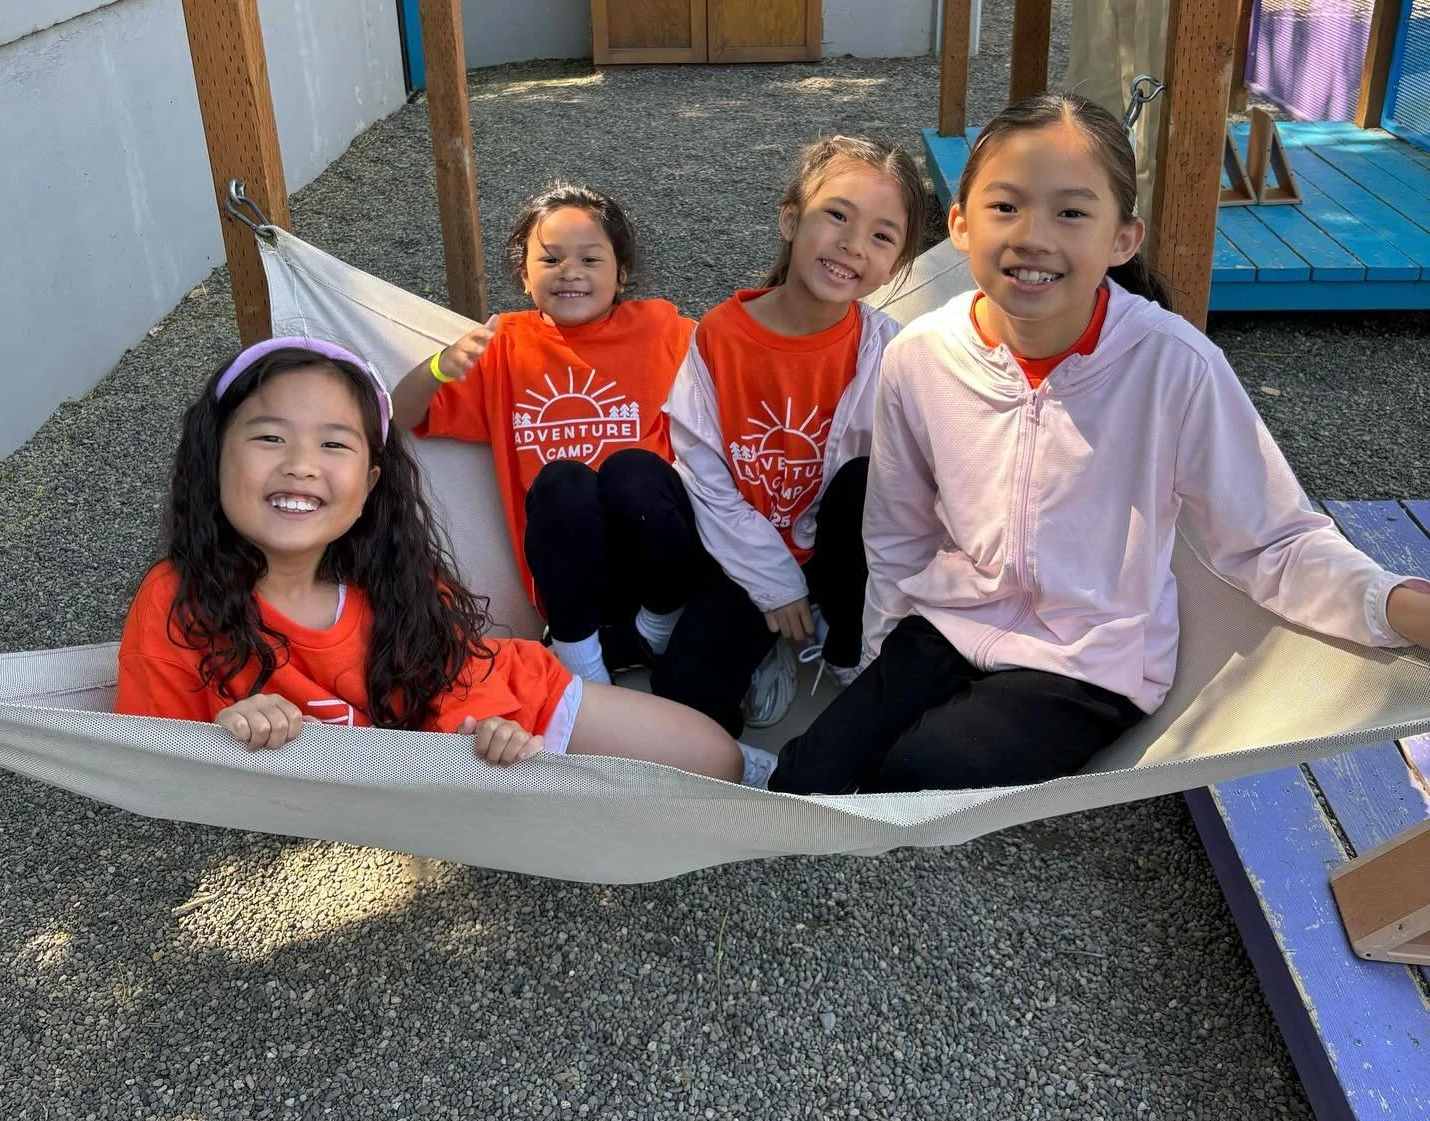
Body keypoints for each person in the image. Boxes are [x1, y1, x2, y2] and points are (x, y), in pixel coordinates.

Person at [771, 92, 1430, 795]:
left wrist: (1395, 603)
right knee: (806, 778)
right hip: (951, 619)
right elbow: (898, 532)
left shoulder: (1173, 365)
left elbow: (1271, 539)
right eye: (1005, 207)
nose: (1034, 236)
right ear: (959, 225)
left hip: (1089, 660)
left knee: (922, 774)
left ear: (1123, 238)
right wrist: (882, 663)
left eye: (1072, 213)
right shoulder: (921, 357)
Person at [116, 337, 750, 782]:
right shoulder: (176, 600)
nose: (300, 463)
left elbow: (457, 675)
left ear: (368, 483)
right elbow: (152, 755)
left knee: (719, 761)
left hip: (494, 718)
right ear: (214, 461)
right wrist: (226, 726)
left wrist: (486, 728)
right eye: (269, 437)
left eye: (333, 444)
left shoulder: (391, 575)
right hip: (404, 784)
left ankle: (797, 791)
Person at [654, 135, 928, 737]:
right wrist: (773, 583)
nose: (854, 245)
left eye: (882, 236)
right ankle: (780, 634)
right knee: (684, 697)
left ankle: (840, 642)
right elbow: (702, 474)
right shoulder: (719, 338)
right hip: (746, 552)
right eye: (837, 215)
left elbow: (916, 484)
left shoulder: (892, 350)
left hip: (845, 558)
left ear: (897, 266)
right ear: (789, 218)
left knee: (864, 479)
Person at [393, 186, 701, 689]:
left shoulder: (661, 329)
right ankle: (579, 658)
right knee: (562, 482)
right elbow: (401, 412)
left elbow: (736, 369)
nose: (570, 271)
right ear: (524, 274)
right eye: (550, 258)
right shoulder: (505, 346)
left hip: (659, 564)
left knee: (631, 471)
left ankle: (659, 626)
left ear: (622, 271)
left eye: (590, 258)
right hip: (568, 579)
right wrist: (439, 367)